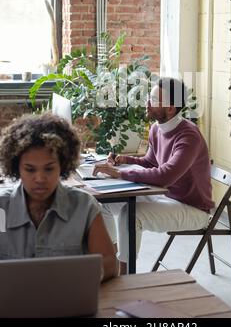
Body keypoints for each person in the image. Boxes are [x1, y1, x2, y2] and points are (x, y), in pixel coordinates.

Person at [93, 77, 214, 274]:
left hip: (192, 208)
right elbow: (151, 163)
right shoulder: (157, 128)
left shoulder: (189, 136)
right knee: (102, 203)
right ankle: (112, 263)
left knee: (131, 215)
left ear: (171, 109)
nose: (147, 102)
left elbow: (165, 176)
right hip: (165, 195)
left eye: (155, 99)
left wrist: (119, 174)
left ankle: (124, 275)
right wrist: (123, 160)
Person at [0, 112, 118, 282]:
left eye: (48, 169)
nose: (40, 178)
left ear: (62, 165)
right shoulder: (2, 209)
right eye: (30, 169)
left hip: (70, 305)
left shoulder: (84, 207)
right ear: (16, 167)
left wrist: (81, 277)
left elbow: (110, 263)